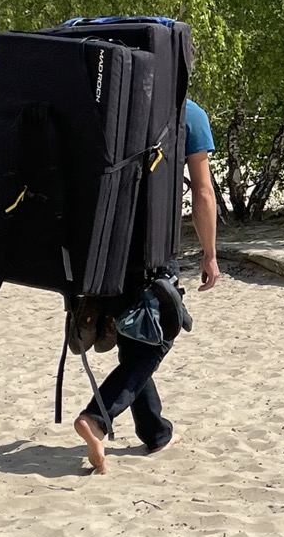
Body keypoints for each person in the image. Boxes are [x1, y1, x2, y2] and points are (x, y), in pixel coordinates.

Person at [74, 97, 220, 474]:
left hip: (102, 242)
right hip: (154, 245)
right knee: (159, 337)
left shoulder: (108, 102)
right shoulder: (188, 114)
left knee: (133, 335)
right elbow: (203, 191)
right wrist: (209, 253)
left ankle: (155, 433)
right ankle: (97, 418)